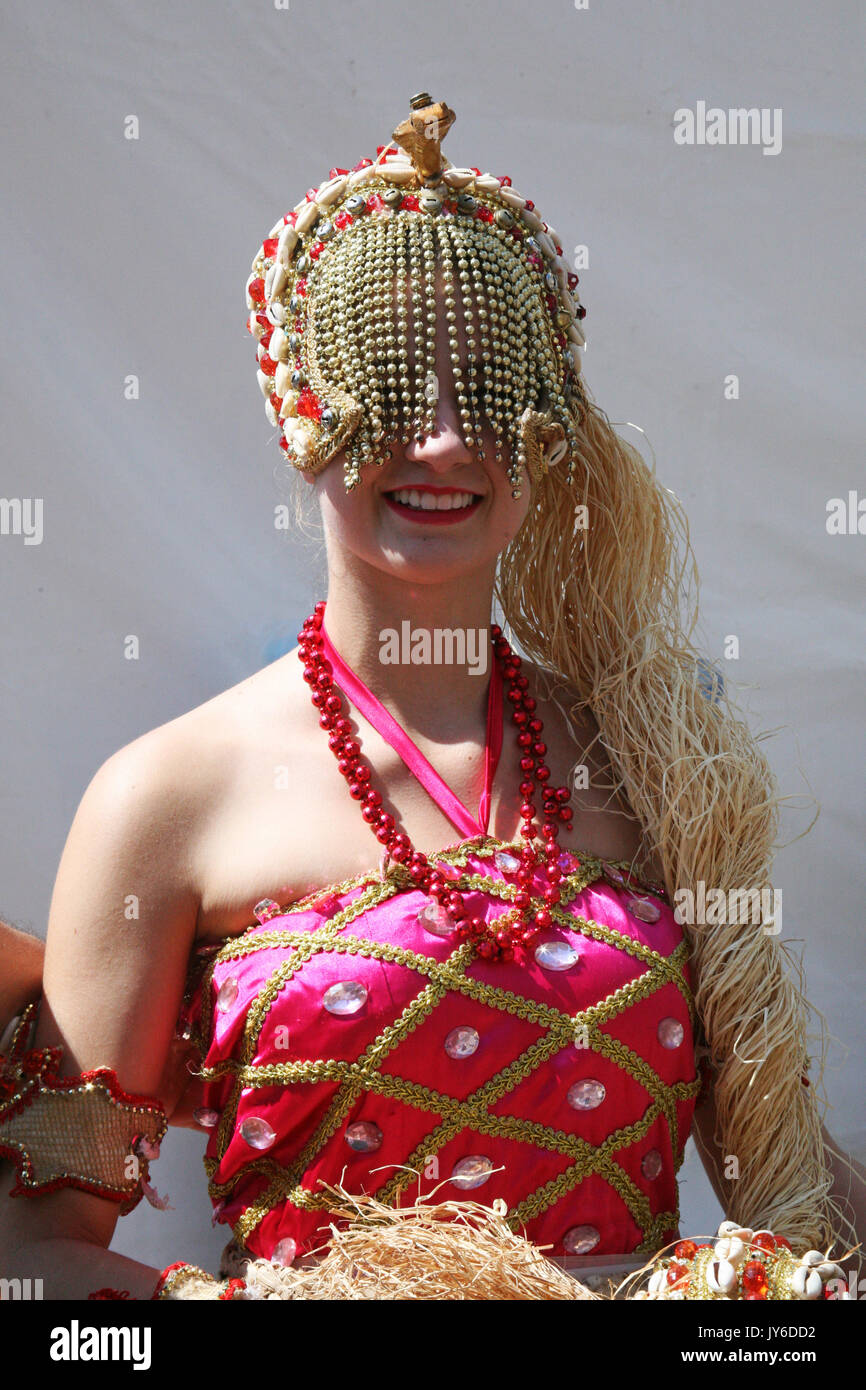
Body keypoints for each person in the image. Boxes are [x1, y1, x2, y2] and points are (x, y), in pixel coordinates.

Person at [1, 93, 863, 1302]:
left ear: (551, 427)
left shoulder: (659, 767)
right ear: (298, 408)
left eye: (489, 385)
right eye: (390, 383)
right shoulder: (166, 800)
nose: (445, 440)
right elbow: (36, 1257)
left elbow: (785, 1183)